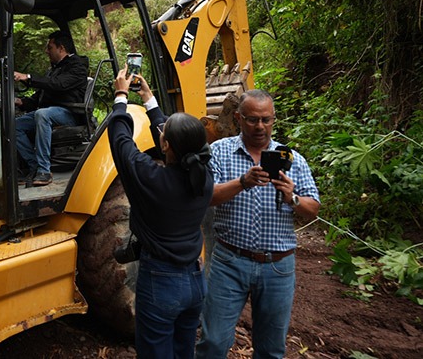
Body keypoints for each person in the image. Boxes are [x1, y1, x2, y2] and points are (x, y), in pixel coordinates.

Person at [196, 89, 321, 359]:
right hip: (229, 261)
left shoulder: (292, 159)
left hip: (277, 266)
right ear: (238, 118)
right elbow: (207, 197)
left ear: (274, 120)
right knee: (213, 343)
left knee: (271, 350)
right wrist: (243, 182)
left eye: (266, 119)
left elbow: (313, 209)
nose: (260, 126)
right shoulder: (219, 151)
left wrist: (292, 197)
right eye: (252, 119)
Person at [108, 66, 213, 359]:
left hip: (162, 283)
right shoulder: (204, 177)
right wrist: (149, 100)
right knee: (183, 352)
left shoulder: (152, 180)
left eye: (163, 134)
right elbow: (174, 140)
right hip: (194, 283)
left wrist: (120, 95)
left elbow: (120, 140)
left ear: (165, 144)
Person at [13, 30, 89, 186]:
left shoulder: (77, 67)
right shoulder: (54, 69)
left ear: (61, 48)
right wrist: (20, 102)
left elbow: (59, 85)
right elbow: (40, 96)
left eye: (50, 47)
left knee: (43, 114)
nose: (47, 51)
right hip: (50, 112)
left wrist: (28, 77)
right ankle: (34, 166)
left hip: (70, 113)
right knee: (14, 125)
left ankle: (44, 171)